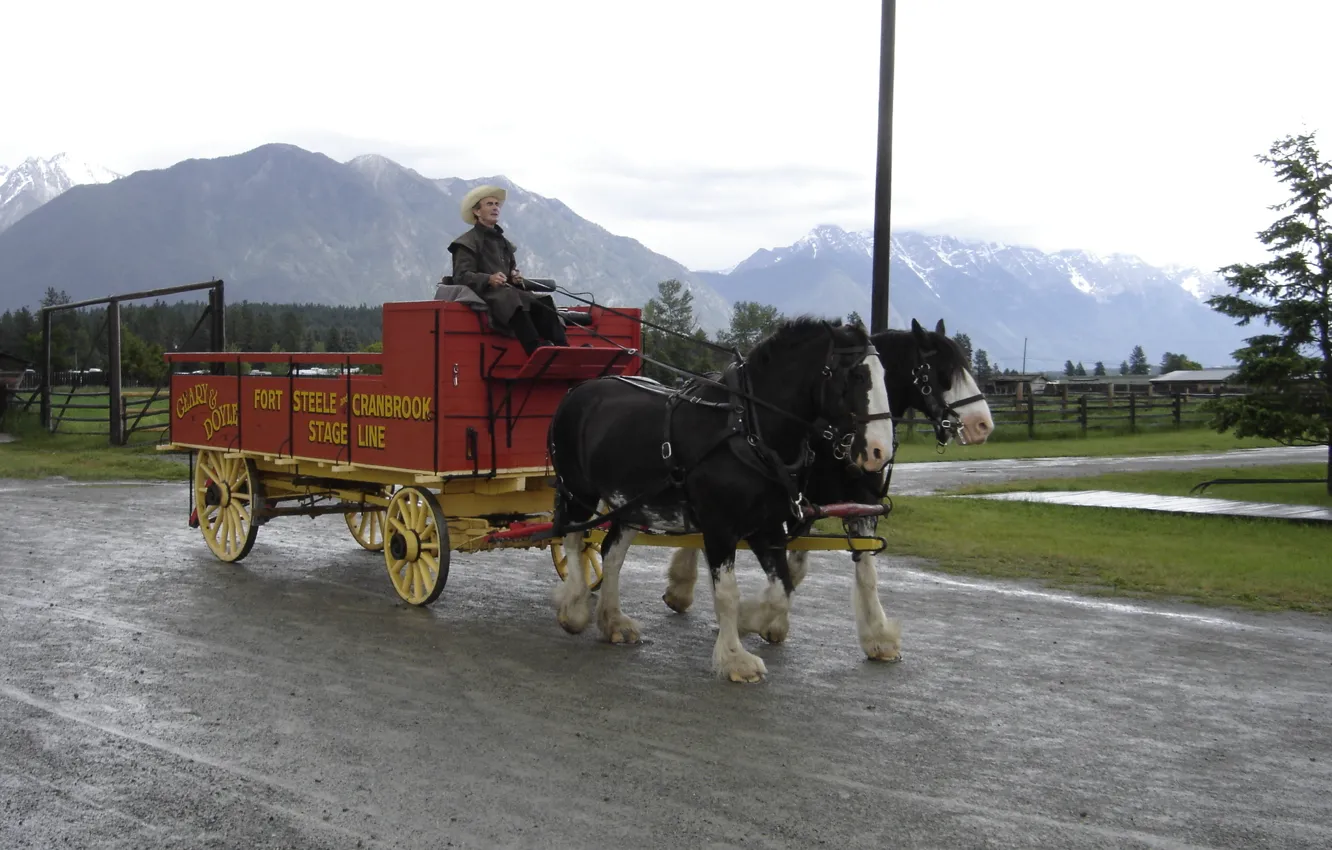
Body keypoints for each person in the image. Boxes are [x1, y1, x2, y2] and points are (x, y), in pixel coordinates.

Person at [447, 185, 568, 355]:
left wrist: (514, 277)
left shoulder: (504, 243)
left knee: (542, 301)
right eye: (489, 204)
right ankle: (534, 349)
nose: (495, 207)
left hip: (506, 291)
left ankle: (562, 347)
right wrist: (488, 279)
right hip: (484, 293)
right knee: (510, 298)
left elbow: (510, 270)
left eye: (497, 204)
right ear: (477, 211)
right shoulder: (466, 242)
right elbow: (461, 276)